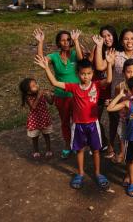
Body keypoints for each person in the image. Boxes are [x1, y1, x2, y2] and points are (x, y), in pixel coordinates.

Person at [34, 56, 111, 190]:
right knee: (80, 150)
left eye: (88, 73)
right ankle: (80, 174)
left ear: (93, 73)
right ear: (78, 74)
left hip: (93, 124)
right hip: (78, 125)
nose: (86, 76)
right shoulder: (73, 87)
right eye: (82, 73)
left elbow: (109, 80)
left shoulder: (96, 85)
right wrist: (46, 68)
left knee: (96, 150)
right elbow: (54, 83)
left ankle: (98, 173)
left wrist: (109, 63)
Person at [94, 27, 133, 161]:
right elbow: (100, 66)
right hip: (119, 94)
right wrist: (100, 47)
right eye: (126, 39)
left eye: (132, 38)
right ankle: (118, 148)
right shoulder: (116, 53)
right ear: (121, 42)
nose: (129, 41)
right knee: (117, 123)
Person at [33, 28, 84, 159]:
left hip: (76, 94)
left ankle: (78, 144)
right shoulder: (55, 56)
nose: (66, 42)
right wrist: (40, 42)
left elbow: (81, 59)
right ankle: (68, 145)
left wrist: (76, 41)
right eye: (63, 40)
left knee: (78, 121)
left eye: (68, 39)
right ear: (58, 42)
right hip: (61, 96)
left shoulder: (74, 54)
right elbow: (42, 60)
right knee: (65, 121)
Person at [89, 25, 119, 158]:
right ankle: (103, 141)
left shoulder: (117, 51)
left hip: (112, 91)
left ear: (114, 35)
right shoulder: (98, 48)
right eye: (103, 36)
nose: (106, 39)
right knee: (94, 119)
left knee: (114, 120)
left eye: (109, 35)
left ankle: (111, 146)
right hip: (98, 90)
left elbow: (102, 67)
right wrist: (96, 47)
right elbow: (95, 65)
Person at [19, 78, 53, 159]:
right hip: (34, 119)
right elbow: (33, 107)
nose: (36, 86)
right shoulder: (28, 97)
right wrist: (39, 96)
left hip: (44, 117)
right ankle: (36, 150)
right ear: (28, 91)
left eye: (36, 84)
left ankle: (48, 150)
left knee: (46, 135)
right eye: (33, 86)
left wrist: (49, 95)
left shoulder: (41, 93)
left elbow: (51, 102)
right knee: (35, 137)